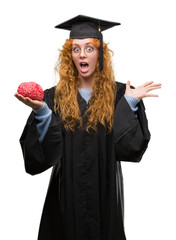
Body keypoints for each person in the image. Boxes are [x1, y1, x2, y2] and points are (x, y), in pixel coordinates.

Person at [15, 15, 161, 240]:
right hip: (65, 197)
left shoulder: (120, 94)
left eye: (89, 48)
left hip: (106, 196)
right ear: (69, 56)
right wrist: (42, 112)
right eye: (76, 49)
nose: (82, 54)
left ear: (100, 54)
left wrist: (129, 104)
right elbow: (39, 159)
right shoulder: (54, 97)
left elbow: (130, 149)